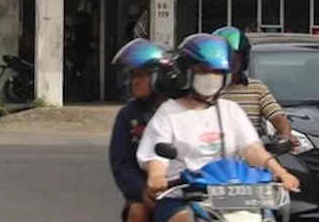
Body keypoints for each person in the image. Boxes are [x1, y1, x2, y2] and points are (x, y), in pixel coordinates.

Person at [137, 33, 300, 222]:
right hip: (183, 196)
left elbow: (251, 148)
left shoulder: (230, 110)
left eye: (217, 72)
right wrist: (157, 176)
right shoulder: (168, 112)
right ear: (185, 71)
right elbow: (157, 155)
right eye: (203, 70)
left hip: (234, 195)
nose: (211, 77)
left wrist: (280, 172)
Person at [109, 38, 169, 222]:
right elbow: (121, 163)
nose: (135, 81)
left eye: (142, 75)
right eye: (133, 75)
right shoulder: (127, 115)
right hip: (144, 190)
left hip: (185, 187)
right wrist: (142, 190)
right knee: (138, 213)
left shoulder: (182, 109)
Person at [212, 26, 294, 146]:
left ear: (243, 61)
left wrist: (286, 136)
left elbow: (278, 118)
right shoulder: (206, 90)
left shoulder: (257, 89)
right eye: (223, 58)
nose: (227, 63)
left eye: (233, 58)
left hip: (250, 155)